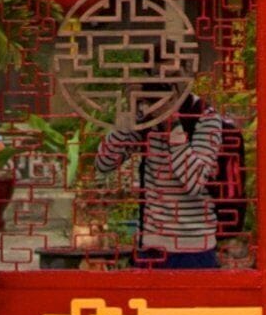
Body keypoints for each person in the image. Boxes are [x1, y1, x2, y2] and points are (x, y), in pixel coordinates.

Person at [92, 89, 236, 269]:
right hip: (152, 246)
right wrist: (129, 114)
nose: (167, 82)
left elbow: (195, 183)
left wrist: (173, 127)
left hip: (194, 246)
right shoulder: (147, 115)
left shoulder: (204, 115)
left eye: (174, 72)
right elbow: (104, 162)